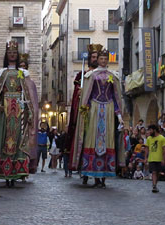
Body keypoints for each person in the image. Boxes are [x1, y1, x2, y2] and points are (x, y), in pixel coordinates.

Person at [0, 41, 39, 187]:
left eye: (14, 53)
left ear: (17, 55)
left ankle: (16, 172)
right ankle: (5, 172)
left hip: (18, 112)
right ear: (7, 55)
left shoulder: (22, 74)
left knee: (19, 140)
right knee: (3, 140)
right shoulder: (2, 74)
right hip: (4, 114)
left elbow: (28, 96)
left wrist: (29, 112)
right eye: (10, 53)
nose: (12, 55)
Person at [71, 48, 124, 188]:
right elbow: (87, 96)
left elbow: (116, 96)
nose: (104, 61)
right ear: (97, 60)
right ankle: (93, 174)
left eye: (106, 59)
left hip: (109, 108)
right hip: (94, 108)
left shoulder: (113, 76)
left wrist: (119, 115)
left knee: (108, 140)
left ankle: (104, 176)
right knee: (92, 139)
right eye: (101, 58)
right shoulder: (91, 76)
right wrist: (85, 110)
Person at [67, 44, 102, 184]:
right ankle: (85, 172)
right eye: (93, 57)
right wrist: (80, 93)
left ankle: (100, 174)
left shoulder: (104, 75)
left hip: (99, 113)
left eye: (97, 57)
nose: (95, 59)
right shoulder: (82, 75)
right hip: (86, 114)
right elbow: (77, 95)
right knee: (85, 141)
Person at [145, 124, 165, 193]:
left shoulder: (162, 138)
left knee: (158, 172)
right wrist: (145, 157)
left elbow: (164, 149)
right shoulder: (149, 138)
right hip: (151, 158)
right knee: (154, 172)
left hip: (159, 158)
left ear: (154, 130)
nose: (149, 132)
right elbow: (147, 148)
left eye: (150, 130)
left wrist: (164, 159)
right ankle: (154, 186)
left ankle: (155, 184)